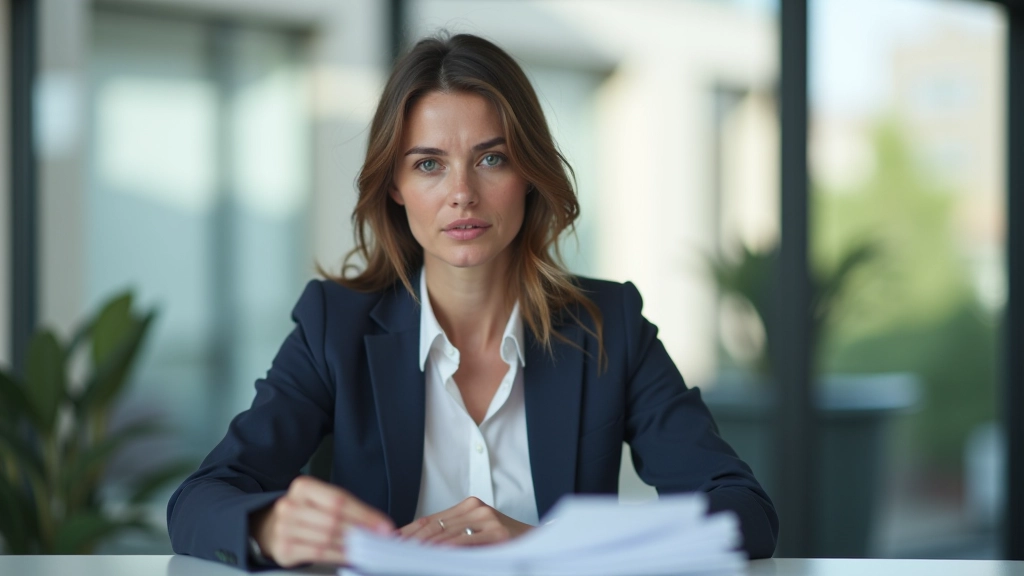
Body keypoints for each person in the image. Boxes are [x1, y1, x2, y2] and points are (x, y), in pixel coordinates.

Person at [166, 32, 778, 571]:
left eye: (491, 158)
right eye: (429, 164)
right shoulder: (336, 327)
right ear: (396, 188)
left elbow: (742, 513)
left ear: (530, 175)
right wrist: (270, 527)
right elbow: (200, 500)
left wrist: (542, 545)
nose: (462, 193)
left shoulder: (609, 325)